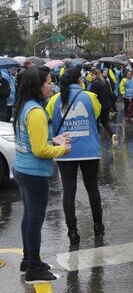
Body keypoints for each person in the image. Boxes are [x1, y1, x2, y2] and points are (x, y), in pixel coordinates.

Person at [13, 66, 70, 284]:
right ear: (38, 86)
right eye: (48, 82)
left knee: (29, 216)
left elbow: (33, 141)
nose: (52, 85)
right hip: (34, 173)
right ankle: (34, 269)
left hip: (22, 169)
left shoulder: (24, 106)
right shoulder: (36, 111)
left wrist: (52, 140)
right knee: (35, 220)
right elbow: (40, 150)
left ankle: (28, 261)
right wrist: (61, 149)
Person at [46, 68, 104, 246]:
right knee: (92, 188)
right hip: (89, 151)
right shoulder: (90, 97)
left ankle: (72, 232)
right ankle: (98, 226)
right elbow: (96, 115)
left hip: (65, 151)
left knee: (68, 192)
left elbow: (50, 120)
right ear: (79, 80)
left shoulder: (54, 99)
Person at [90, 68, 118, 143]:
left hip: (98, 106)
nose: (91, 77)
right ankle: (113, 134)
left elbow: (92, 96)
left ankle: (96, 138)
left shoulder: (95, 84)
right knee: (105, 122)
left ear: (96, 75)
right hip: (107, 105)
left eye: (92, 75)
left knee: (95, 122)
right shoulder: (105, 82)